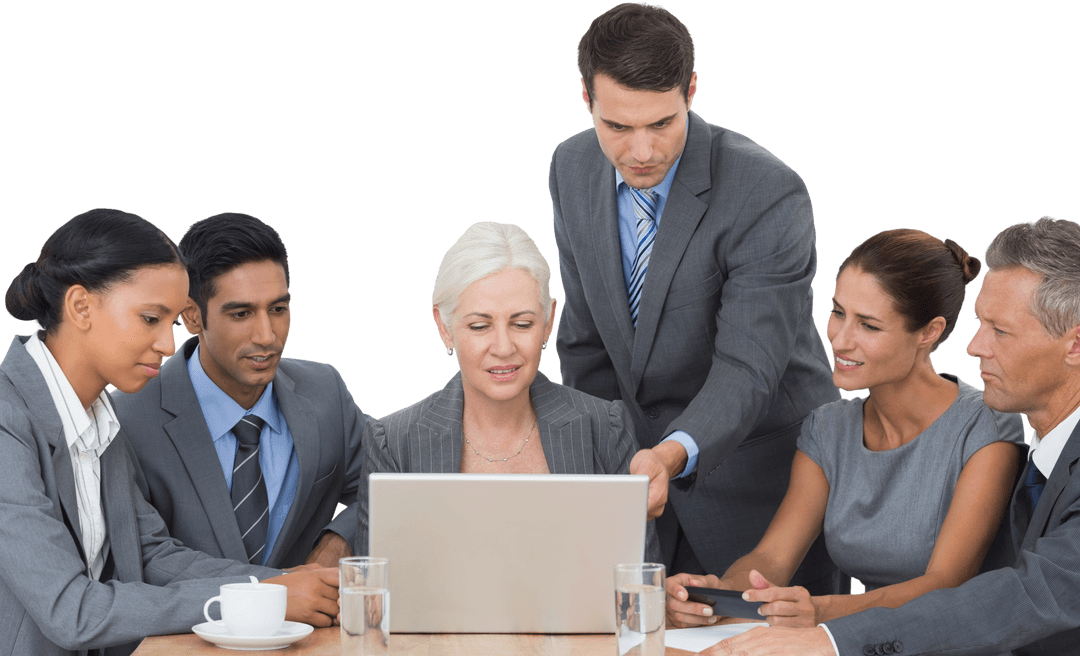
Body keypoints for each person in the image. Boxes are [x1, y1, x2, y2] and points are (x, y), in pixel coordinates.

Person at [549, 2, 840, 590]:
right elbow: (587, 345)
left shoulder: (767, 191)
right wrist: (604, 467)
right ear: (587, 98)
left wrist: (670, 453)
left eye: (662, 123)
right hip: (641, 495)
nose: (641, 151)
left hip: (757, 489)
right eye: (617, 127)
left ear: (691, 90)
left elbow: (748, 367)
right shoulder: (570, 166)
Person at [708, 216, 1080, 656]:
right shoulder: (1043, 455)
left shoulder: (988, 430)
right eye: (837, 312)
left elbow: (1024, 593)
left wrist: (828, 630)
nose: (974, 347)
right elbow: (770, 559)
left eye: (1000, 331)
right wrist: (717, 600)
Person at [0, 209, 339, 656]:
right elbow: (72, 611)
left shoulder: (100, 418)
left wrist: (277, 586)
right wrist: (255, 599)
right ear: (81, 306)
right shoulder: (8, 420)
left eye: (173, 323)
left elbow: (152, 555)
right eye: (150, 319)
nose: (167, 345)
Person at [356, 222, 660, 561]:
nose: (503, 347)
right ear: (444, 327)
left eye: (522, 324)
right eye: (480, 326)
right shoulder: (393, 442)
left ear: (548, 322)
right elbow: (375, 594)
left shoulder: (605, 428)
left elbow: (639, 582)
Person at [112, 212, 370, 569]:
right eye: (241, 314)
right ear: (191, 316)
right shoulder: (125, 419)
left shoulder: (324, 391)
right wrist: (278, 591)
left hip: (312, 626)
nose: (267, 335)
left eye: (278, 309)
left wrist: (338, 540)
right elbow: (142, 559)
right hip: (192, 626)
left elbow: (392, 481)